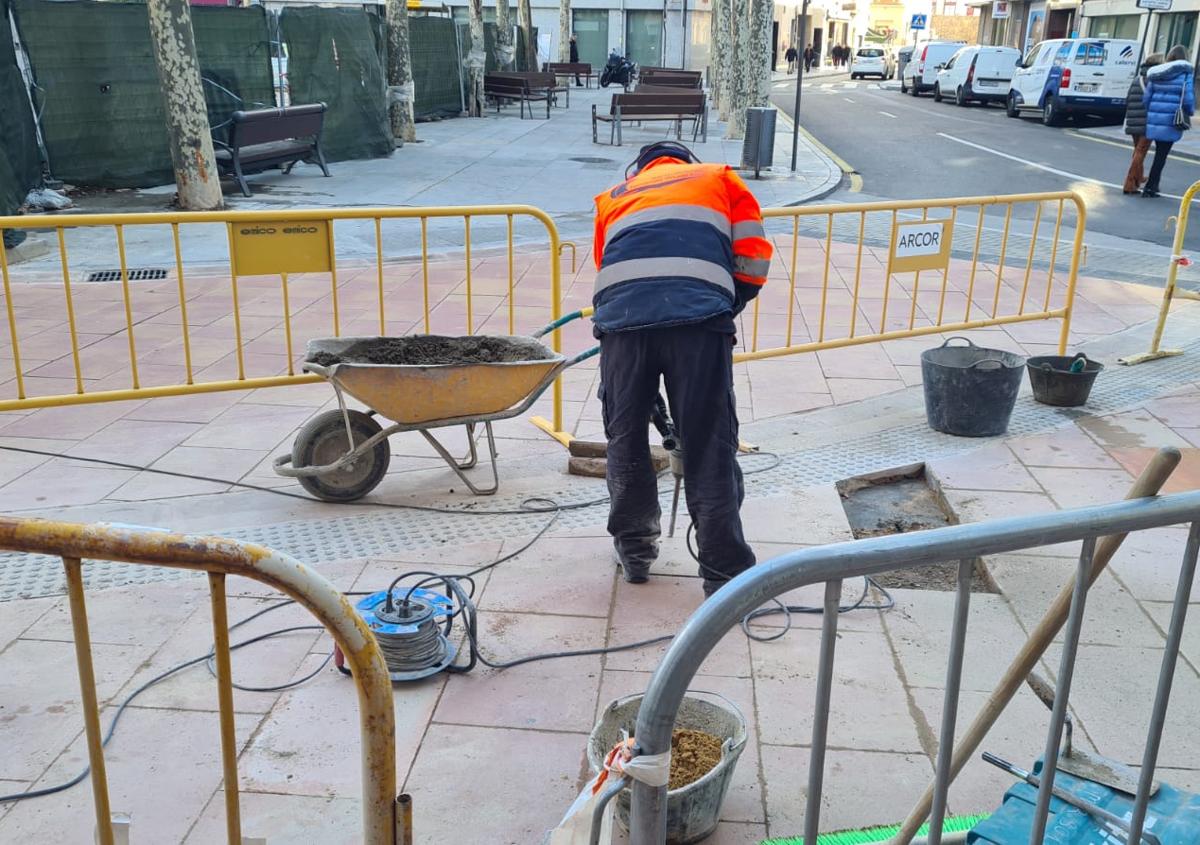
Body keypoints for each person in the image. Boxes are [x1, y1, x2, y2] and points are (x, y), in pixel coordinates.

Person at [591, 141, 773, 597]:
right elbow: (752, 257)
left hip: (622, 325)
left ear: (641, 167)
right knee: (709, 444)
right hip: (698, 322)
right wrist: (724, 306)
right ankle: (724, 574)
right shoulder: (719, 178)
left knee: (625, 438)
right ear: (685, 162)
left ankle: (634, 552)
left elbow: (609, 264)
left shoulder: (613, 195)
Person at [1142, 44, 1195, 198]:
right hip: (1172, 119)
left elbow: (1146, 98)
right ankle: (1150, 187)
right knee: (1162, 155)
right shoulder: (1185, 75)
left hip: (1155, 117)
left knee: (1159, 152)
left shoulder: (1158, 73)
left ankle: (1154, 186)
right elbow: (1188, 99)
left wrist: (1151, 112)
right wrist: (1189, 113)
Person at [1123, 53, 1162, 195]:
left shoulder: (1137, 79)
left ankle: (1138, 178)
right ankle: (1128, 184)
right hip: (1146, 121)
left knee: (1137, 151)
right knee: (1140, 152)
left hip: (1132, 120)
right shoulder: (1154, 81)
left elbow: (1128, 99)